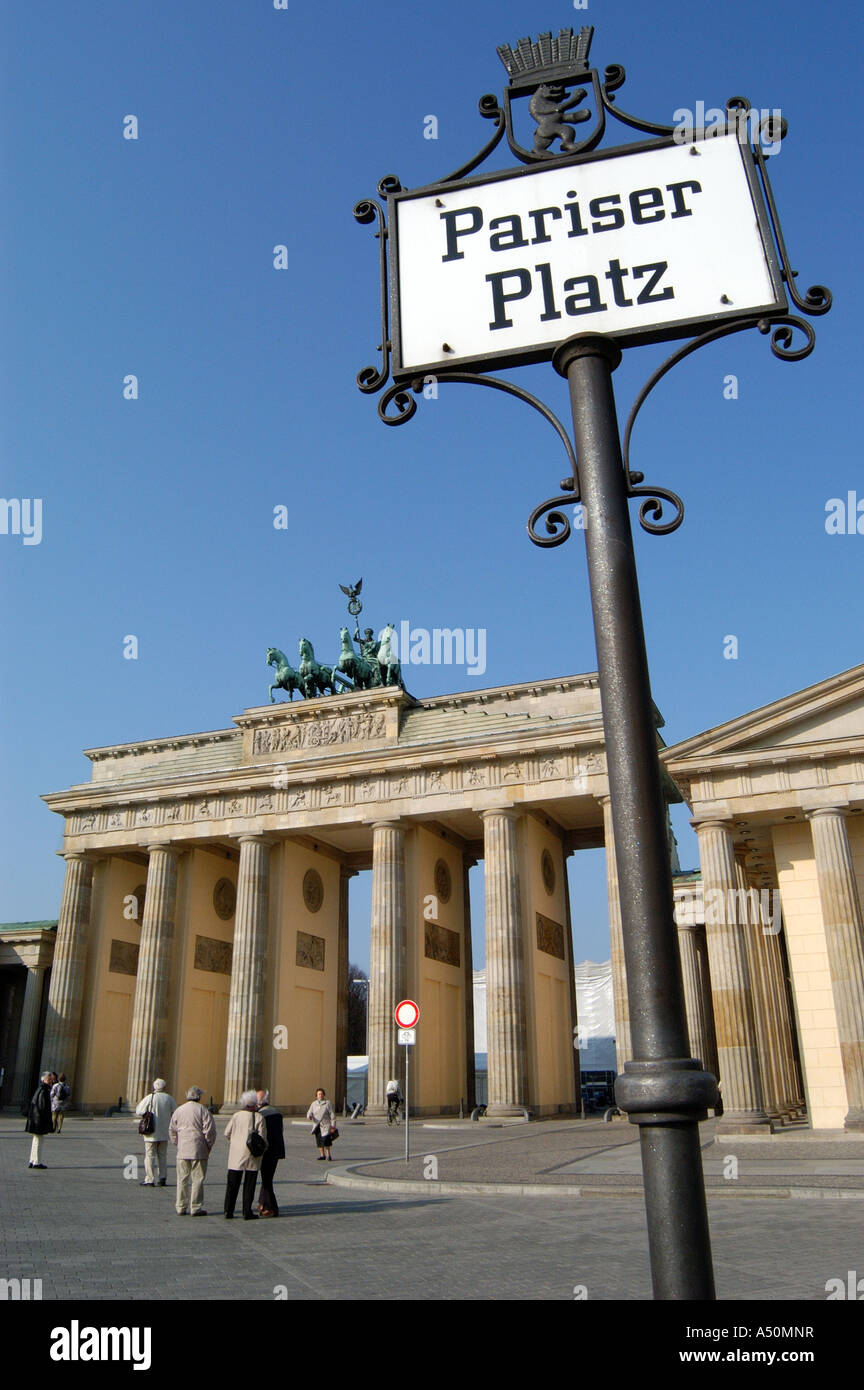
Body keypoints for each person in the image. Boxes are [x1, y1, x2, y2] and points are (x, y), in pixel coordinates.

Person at [169, 1086, 216, 1216]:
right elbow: (210, 1131)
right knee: (198, 1179)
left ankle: (181, 1206)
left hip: (183, 1149)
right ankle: (195, 1207)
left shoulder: (179, 1110)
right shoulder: (203, 1110)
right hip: (198, 1148)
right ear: (199, 1097)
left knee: (182, 1179)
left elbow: (172, 1129)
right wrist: (208, 1145)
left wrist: (177, 1143)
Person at [223, 1091, 268, 1220]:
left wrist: (236, 1142)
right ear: (255, 1104)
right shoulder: (259, 1117)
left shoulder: (236, 1116)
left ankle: (228, 1210)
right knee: (249, 1185)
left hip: (236, 1155)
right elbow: (263, 1138)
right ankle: (246, 1211)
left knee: (232, 1184)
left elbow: (227, 1133)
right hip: (252, 1155)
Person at [135, 1078, 177, 1187]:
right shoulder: (169, 1098)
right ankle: (162, 1177)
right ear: (164, 1087)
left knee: (150, 1155)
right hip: (164, 1132)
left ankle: (150, 1179)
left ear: (154, 1087)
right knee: (162, 1155)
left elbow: (139, 1110)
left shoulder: (150, 1097)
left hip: (151, 1132)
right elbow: (175, 1113)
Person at [256, 1089, 285, 1217]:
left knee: (266, 1179)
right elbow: (281, 1130)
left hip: (266, 1151)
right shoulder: (277, 1113)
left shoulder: (260, 1115)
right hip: (277, 1150)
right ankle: (262, 1203)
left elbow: (259, 1134)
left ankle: (270, 1208)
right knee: (268, 1178)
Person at [26, 1071, 55, 1168]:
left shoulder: (40, 1088)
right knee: (38, 1141)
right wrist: (46, 1119)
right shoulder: (44, 1090)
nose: (52, 1081)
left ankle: (32, 1160)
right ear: (46, 1079)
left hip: (36, 1119)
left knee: (35, 1140)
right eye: (50, 1079)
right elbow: (42, 1107)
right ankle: (36, 1162)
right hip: (39, 1120)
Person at [307, 1087, 337, 1161]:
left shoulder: (327, 1103)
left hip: (326, 1125)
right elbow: (309, 1112)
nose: (320, 1095)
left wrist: (333, 1126)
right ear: (316, 1096)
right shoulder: (314, 1104)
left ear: (324, 1095)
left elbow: (332, 1115)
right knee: (319, 1140)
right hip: (317, 1125)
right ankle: (322, 1155)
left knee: (326, 1140)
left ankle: (328, 1155)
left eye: (321, 1094)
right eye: (318, 1094)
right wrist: (309, 1116)